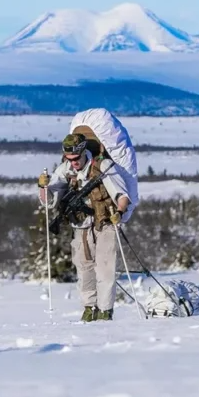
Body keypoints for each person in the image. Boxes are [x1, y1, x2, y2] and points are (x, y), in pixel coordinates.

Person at [39, 133, 131, 321]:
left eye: (76, 158)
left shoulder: (102, 167)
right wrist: (44, 188)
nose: (73, 163)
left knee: (105, 268)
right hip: (80, 225)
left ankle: (105, 311)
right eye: (69, 159)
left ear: (83, 152)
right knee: (83, 268)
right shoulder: (66, 170)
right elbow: (50, 201)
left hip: (105, 223)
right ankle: (89, 308)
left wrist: (119, 213)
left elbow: (122, 195)